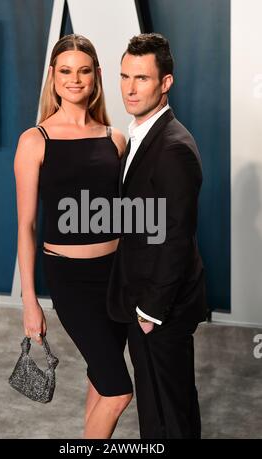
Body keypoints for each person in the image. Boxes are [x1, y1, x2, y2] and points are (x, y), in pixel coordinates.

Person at [14, 34, 133, 439]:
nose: (74, 79)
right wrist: (30, 303)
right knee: (119, 392)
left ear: (97, 76)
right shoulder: (35, 141)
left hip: (116, 277)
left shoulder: (115, 140)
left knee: (102, 379)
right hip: (70, 281)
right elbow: (27, 227)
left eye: (84, 70)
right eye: (65, 70)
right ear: (52, 76)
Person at [107, 33, 207, 439]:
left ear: (166, 83)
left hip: (160, 307)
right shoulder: (141, 134)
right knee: (155, 407)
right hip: (143, 299)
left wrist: (151, 311)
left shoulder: (172, 147)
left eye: (142, 79)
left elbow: (176, 239)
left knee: (171, 410)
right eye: (125, 76)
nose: (130, 88)